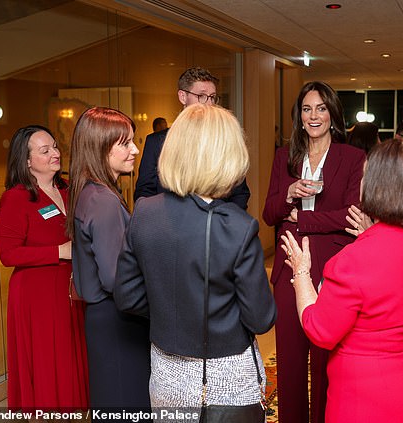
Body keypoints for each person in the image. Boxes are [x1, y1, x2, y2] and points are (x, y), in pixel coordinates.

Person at [114, 104, 276, 411]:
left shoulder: (145, 213)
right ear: (229, 156)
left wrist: (172, 312)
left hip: (166, 373)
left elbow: (127, 296)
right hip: (226, 380)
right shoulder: (238, 227)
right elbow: (261, 317)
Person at [281, 139, 403, 422]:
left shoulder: (353, 261)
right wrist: (370, 238)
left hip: (369, 396)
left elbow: (320, 330)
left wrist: (300, 273)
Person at [262, 81, 365, 423]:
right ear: (299, 116)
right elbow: (268, 213)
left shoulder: (353, 158)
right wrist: (289, 193)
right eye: (307, 109)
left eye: (321, 108)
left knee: (325, 362)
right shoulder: (284, 156)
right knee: (289, 364)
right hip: (289, 268)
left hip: (332, 270)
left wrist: (301, 218)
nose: (313, 115)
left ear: (332, 114)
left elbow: (350, 215)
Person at [0, 125, 88, 412]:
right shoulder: (16, 197)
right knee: (46, 360)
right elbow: (8, 254)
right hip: (37, 294)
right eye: (44, 150)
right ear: (26, 161)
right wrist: (58, 251)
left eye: (55, 147)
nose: (55, 154)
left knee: (69, 354)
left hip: (71, 287)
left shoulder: (67, 188)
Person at [66, 107, 151, 412]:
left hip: (105, 319)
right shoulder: (102, 201)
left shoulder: (92, 191)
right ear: (101, 147)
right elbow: (118, 280)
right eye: (125, 143)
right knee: (126, 406)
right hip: (117, 320)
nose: (135, 150)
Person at [134, 67, 250, 208]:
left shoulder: (223, 141)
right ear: (183, 97)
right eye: (201, 96)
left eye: (212, 97)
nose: (208, 104)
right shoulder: (157, 142)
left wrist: (226, 225)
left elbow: (240, 193)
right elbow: (144, 193)